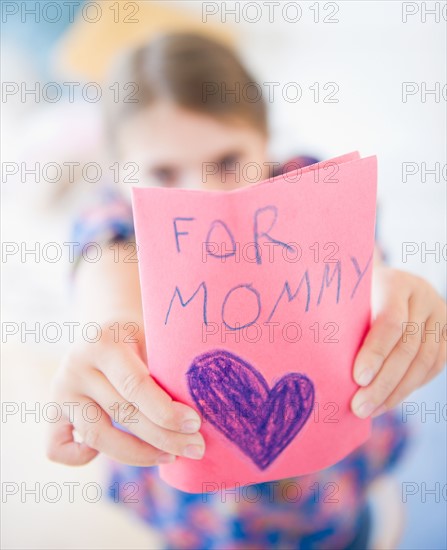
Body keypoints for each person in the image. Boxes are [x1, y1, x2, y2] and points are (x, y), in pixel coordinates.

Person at [47, 33, 446, 549]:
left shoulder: (311, 186)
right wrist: (112, 329)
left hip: (327, 477)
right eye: (163, 172)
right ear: (119, 174)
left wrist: (388, 292)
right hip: (203, 505)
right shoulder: (112, 224)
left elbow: (364, 270)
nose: (204, 194)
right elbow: (108, 278)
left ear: (266, 144)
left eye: (229, 161)